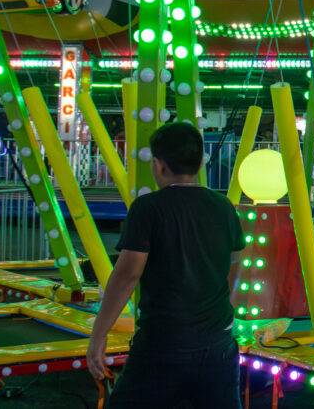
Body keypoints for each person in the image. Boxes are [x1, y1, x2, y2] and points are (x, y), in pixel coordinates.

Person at [86, 122, 245, 408]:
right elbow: (234, 263)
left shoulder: (148, 208)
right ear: (199, 164)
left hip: (162, 344)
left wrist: (99, 334)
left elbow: (128, 274)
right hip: (218, 344)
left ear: (158, 165)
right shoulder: (223, 206)